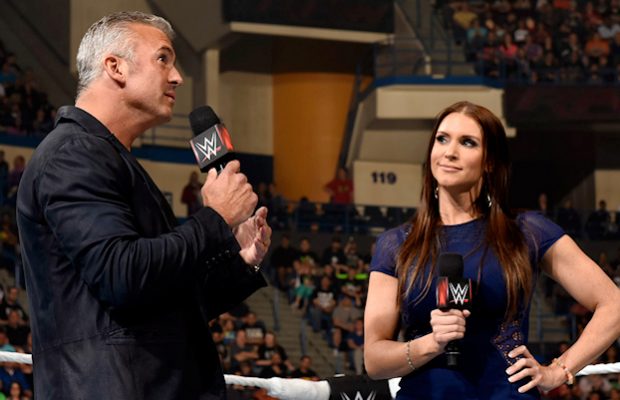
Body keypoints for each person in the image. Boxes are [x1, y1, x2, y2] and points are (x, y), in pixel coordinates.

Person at [16, 11, 272, 400]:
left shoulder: (109, 158)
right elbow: (122, 274)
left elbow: (165, 300)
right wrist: (214, 218)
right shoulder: (73, 154)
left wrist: (242, 260)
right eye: (163, 59)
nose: (177, 77)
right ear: (115, 67)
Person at [364, 101, 620, 399]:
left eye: (467, 142)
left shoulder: (527, 231)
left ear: (489, 161)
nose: (450, 152)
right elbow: (374, 360)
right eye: (442, 139)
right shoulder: (397, 244)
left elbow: (613, 305)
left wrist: (559, 371)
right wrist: (432, 343)